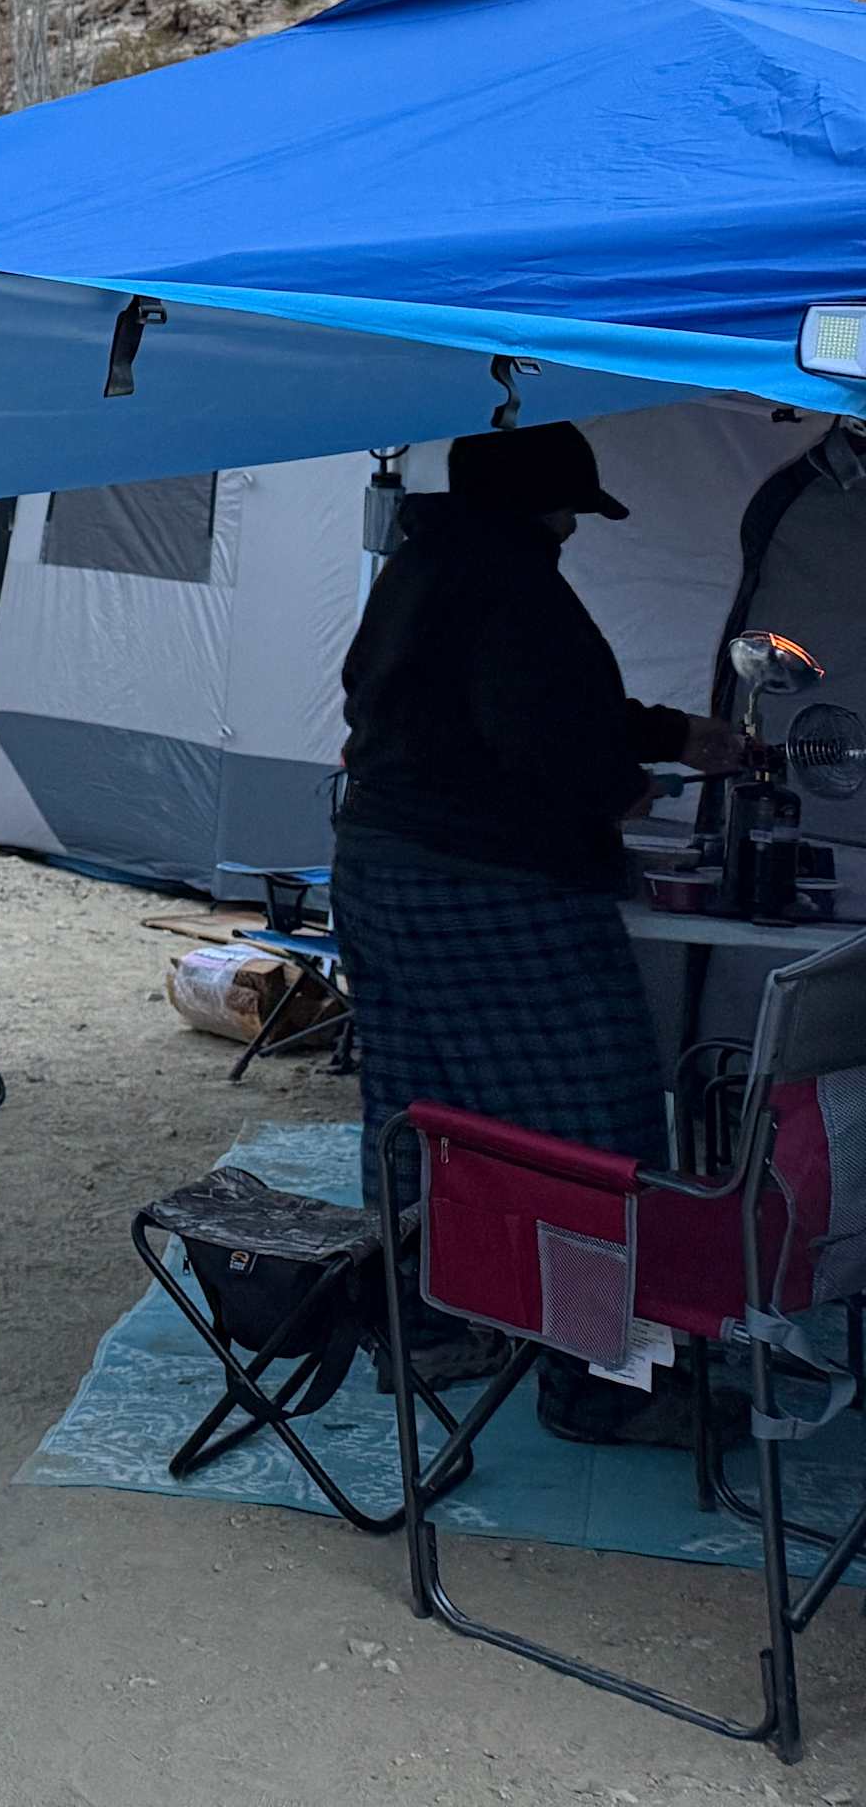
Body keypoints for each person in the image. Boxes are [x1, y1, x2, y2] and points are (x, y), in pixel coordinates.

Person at [333, 419, 754, 1443]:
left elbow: (500, 703)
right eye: (567, 507)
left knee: (419, 1115)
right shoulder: (518, 584)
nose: (572, 526)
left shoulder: (424, 564)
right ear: (533, 505)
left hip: (383, 869)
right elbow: (552, 741)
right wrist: (628, 784)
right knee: (596, 1128)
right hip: (496, 886)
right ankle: (605, 1384)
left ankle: (423, 1332)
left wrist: (673, 734)